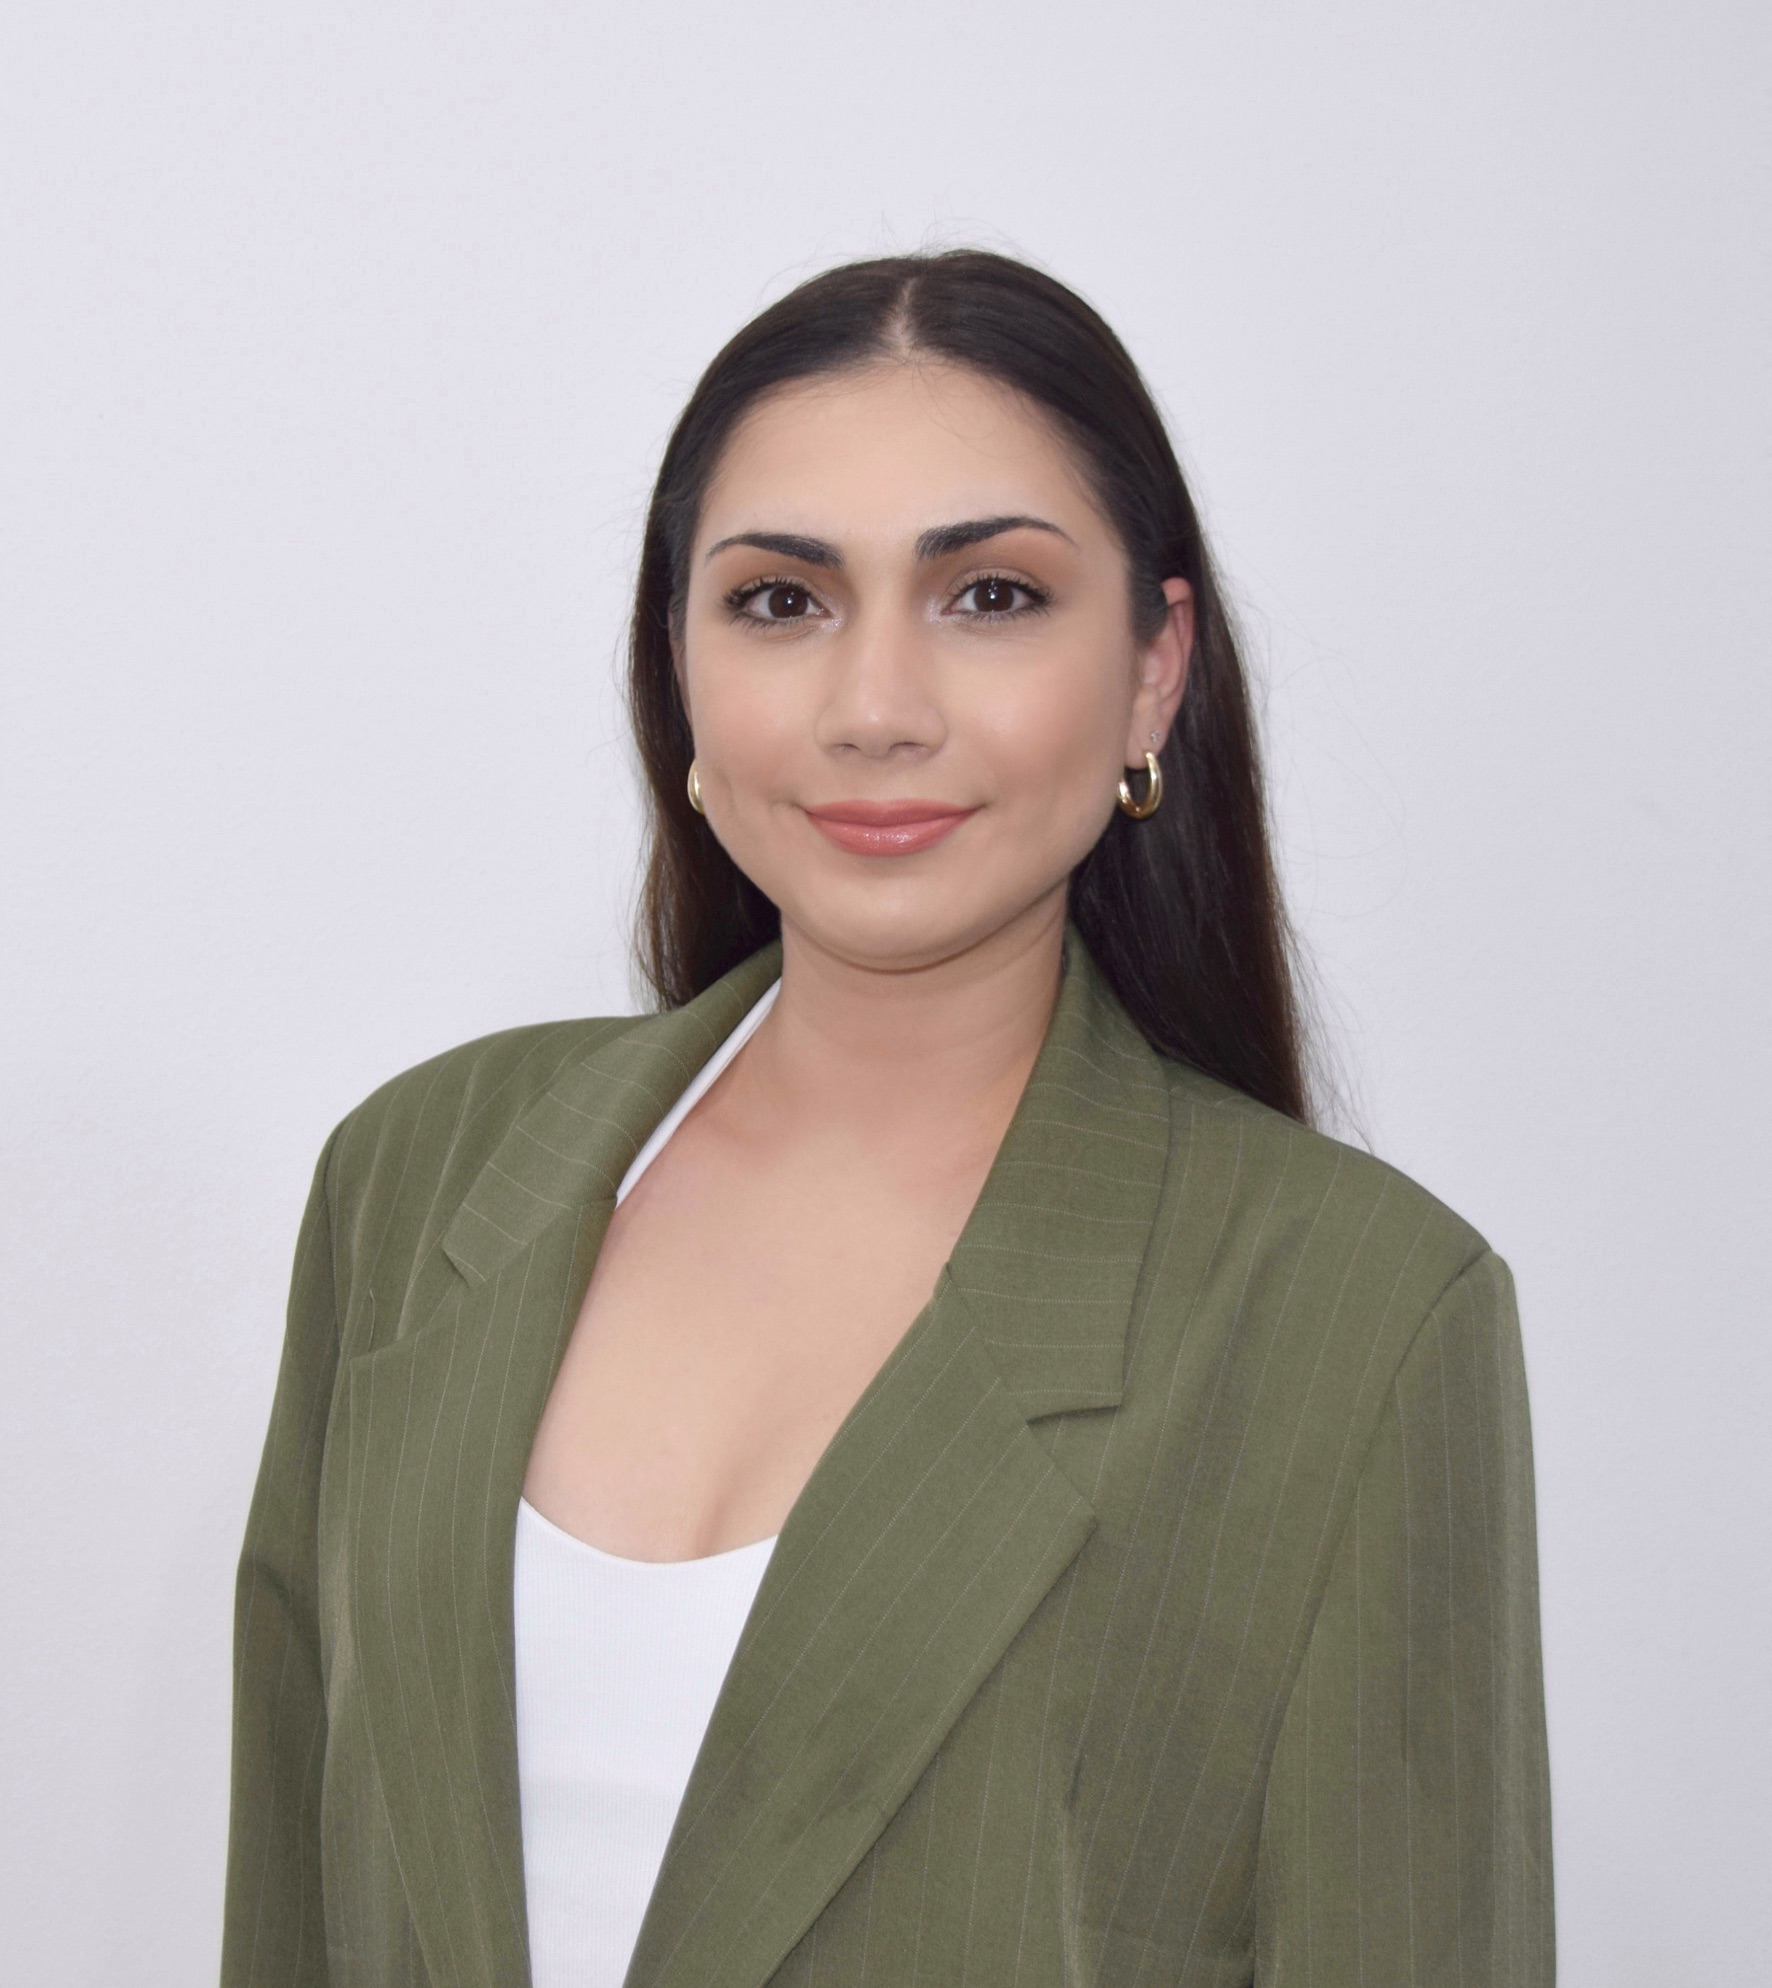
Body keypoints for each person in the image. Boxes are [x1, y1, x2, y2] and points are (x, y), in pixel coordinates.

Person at [221, 250, 1554, 1988]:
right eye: (782, 601)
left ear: (1155, 669)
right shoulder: (415, 1181)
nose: (874, 711)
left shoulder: (1358, 1323)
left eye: (990, 595)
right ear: (678, 665)